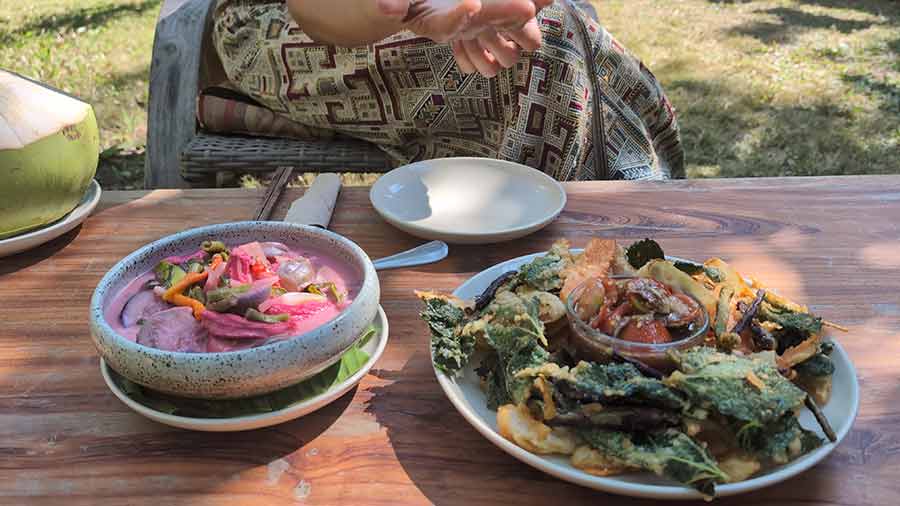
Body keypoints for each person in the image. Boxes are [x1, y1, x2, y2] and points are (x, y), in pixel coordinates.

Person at [211, 0, 683, 180]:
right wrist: (400, 9)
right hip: (275, 23)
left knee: (549, 34)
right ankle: (550, 294)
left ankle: (635, 275)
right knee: (548, 46)